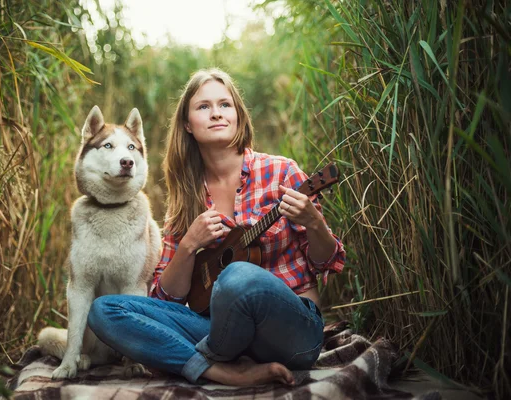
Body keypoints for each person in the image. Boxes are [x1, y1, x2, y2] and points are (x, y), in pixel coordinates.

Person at [87, 68, 345, 386]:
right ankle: (220, 371)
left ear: (237, 115)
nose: (216, 114)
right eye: (203, 107)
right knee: (104, 310)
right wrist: (188, 246)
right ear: (187, 124)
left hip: (291, 333)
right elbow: (165, 300)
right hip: (219, 329)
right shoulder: (186, 195)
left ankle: (196, 356)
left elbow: (326, 260)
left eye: (225, 105)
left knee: (238, 276)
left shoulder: (281, 172)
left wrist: (313, 222)